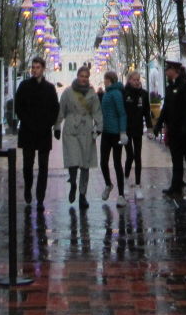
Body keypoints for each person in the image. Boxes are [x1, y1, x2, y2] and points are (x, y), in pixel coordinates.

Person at [154, 61, 186, 199]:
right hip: (175, 129)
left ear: (175, 71)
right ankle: (176, 184)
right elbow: (166, 108)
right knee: (177, 158)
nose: (166, 72)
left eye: (168, 69)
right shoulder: (171, 88)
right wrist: (159, 125)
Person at [54, 64, 102, 208]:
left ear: (88, 78)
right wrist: (57, 126)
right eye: (81, 76)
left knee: (85, 164)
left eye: (86, 77)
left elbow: (97, 112)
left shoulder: (92, 94)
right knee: (73, 161)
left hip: (86, 129)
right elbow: (61, 109)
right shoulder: (68, 92)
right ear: (77, 76)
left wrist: (99, 127)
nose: (83, 79)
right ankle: (73, 182)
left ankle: (82, 194)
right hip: (71, 129)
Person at [14, 56, 59, 207]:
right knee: (27, 165)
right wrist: (27, 121)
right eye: (33, 67)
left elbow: (54, 109)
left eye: (37, 67)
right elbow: (18, 107)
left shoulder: (50, 88)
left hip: (44, 132)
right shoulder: (24, 86)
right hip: (28, 131)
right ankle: (28, 188)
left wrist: (48, 124)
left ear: (43, 69)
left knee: (43, 167)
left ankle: (40, 197)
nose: (34, 70)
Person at [99, 70, 129, 205]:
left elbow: (122, 113)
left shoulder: (116, 94)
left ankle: (121, 194)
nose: (103, 81)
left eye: (105, 79)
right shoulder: (106, 94)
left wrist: (123, 131)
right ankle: (108, 184)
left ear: (109, 79)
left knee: (117, 164)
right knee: (103, 162)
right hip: (106, 133)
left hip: (116, 133)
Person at [122, 69, 153, 199]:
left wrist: (150, 129)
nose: (136, 82)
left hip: (138, 129)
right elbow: (122, 112)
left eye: (138, 79)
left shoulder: (144, 94)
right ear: (129, 80)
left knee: (138, 156)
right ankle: (125, 180)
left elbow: (147, 112)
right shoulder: (124, 93)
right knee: (130, 155)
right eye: (134, 80)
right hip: (127, 129)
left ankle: (138, 185)